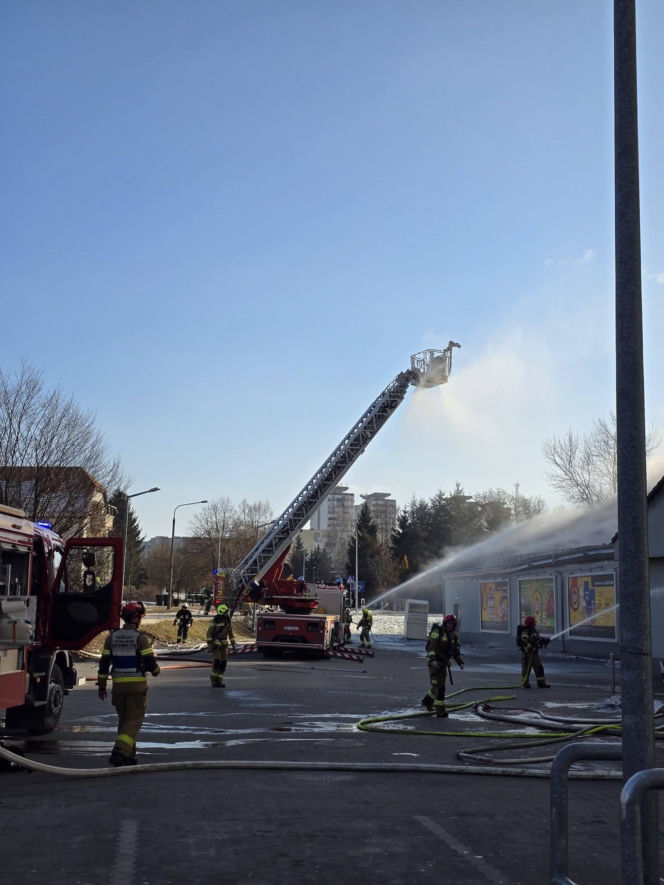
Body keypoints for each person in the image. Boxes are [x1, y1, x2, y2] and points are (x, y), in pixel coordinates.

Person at [96, 600, 160, 766]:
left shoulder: (112, 637)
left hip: (118, 687)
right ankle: (120, 751)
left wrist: (102, 685)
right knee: (133, 721)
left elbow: (104, 663)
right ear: (137, 618)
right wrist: (156, 671)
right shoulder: (141, 639)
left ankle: (129, 756)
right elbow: (149, 662)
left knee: (124, 721)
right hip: (137, 687)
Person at [422, 613, 464, 717]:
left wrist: (460, 662)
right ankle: (440, 711)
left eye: (452, 624)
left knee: (437, 686)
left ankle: (427, 701)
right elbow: (431, 648)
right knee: (440, 688)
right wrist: (433, 660)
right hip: (434, 664)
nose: (450, 625)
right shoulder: (437, 632)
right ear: (445, 623)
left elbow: (455, 651)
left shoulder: (454, 636)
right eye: (449, 623)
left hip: (443, 664)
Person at [206, 604, 237, 687]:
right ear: (221, 612)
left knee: (224, 663)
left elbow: (230, 634)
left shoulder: (227, 621)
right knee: (217, 662)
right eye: (226, 612)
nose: (227, 613)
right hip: (216, 645)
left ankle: (219, 680)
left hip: (224, 646)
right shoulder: (215, 621)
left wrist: (233, 644)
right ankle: (213, 680)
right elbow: (209, 634)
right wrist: (210, 644)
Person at [517, 615, 550, 688]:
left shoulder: (534, 631)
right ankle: (525, 683)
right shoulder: (524, 633)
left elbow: (538, 638)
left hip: (534, 654)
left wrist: (543, 640)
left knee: (539, 668)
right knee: (526, 670)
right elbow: (525, 643)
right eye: (534, 623)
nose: (535, 624)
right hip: (527, 655)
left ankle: (541, 683)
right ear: (531, 624)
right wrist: (533, 644)